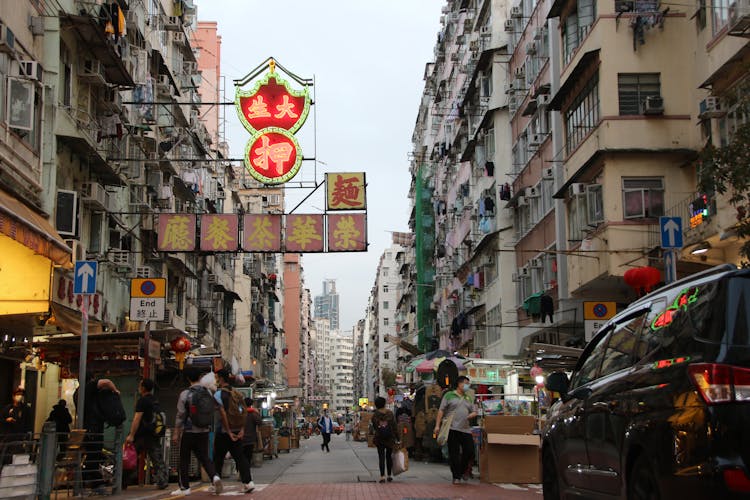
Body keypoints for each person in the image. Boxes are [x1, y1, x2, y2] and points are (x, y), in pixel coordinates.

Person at [172, 367, 222, 496]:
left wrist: (176, 432)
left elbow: (180, 415)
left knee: (184, 458)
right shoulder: (208, 392)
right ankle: (214, 476)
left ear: (188, 378)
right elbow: (215, 408)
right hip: (204, 430)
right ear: (200, 378)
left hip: (189, 431)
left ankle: (185, 487)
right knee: (204, 457)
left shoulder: (185, 394)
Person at [213, 369, 254, 493]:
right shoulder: (237, 393)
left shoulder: (218, 394)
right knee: (240, 457)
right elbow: (243, 412)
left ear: (220, 378)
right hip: (237, 430)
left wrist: (228, 431)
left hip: (224, 431)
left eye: (217, 378)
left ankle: (217, 482)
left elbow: (222, 413)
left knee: (218, 457)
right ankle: (248, 482)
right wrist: (241, 429)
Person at [78, 374, 119, 494]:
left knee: (92, 457)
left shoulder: (79, 393)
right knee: (93, 457)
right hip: (93, 430)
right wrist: (115, 390)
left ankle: (88, 484)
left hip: (88, 429)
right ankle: (95, 484)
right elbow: (106, 381)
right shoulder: (89, 388)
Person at [433, 376, 478, 485]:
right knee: (454, 453)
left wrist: (470, 415)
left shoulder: (468, 398)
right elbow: (441, 410)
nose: (468, 386)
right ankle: (456, 476)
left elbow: (474, 411)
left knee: (470, 451)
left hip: (465, 429)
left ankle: (462, 471)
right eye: (466, 383)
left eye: (468, 383)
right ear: (459, 384)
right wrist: (437, 426)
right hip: (452, 428)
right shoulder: (449, 395)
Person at [124, 379, 168, 489]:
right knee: (157, 459)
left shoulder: (142, 401)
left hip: (141, 435)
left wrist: (131, 435)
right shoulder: (154, 400)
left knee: (130, 457)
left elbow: (137, 419)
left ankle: (122, 481)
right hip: (153, 434)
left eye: (140, 385)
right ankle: (162, 481)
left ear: (143, 388)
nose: (139, 387)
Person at [1, 387, 33, 465]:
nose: (20, 396)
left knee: (18, 457)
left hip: (20, 436)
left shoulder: (26, 409)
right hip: (8, 437)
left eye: (21, 395)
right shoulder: (8, 408)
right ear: (13, 396)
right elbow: (1, 419)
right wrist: (7, 420)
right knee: (6, 457)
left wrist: (28, 435)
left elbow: (28, 422)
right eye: (18, 394)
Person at [371, 396, 399, 483]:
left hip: (380, 438)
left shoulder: (375, 415)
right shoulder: (390, 413)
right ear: (384, 404)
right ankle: (389, 475)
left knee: (381, 457)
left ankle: (382, 476)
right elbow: (395, 427)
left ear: (376, 405)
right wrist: (398, 438)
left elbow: (375, 427)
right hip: (390, 438)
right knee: (389, 457)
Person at [241, 398, 262, 468]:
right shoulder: (253, 414)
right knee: (248, 456)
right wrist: (258, 413)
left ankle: (240, 472)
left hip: (240, 438)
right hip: (250, 439)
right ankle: (245, 473)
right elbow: (259, 422)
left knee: (240, 456)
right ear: (251, 404)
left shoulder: (240, 413)